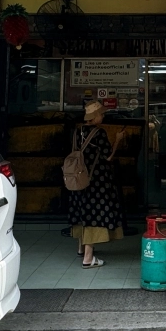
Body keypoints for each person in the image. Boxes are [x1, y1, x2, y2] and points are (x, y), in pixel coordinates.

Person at [68, 101, 124, 269]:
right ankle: (88, 258)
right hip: (96, 181)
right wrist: (118, 140)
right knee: (95, 214)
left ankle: (80, 248)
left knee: (82, 212)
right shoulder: (99, 133)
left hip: (78, 179)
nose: (103, 116)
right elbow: (108, 156)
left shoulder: (78, 131)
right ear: (94, 117)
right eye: (101, 114)